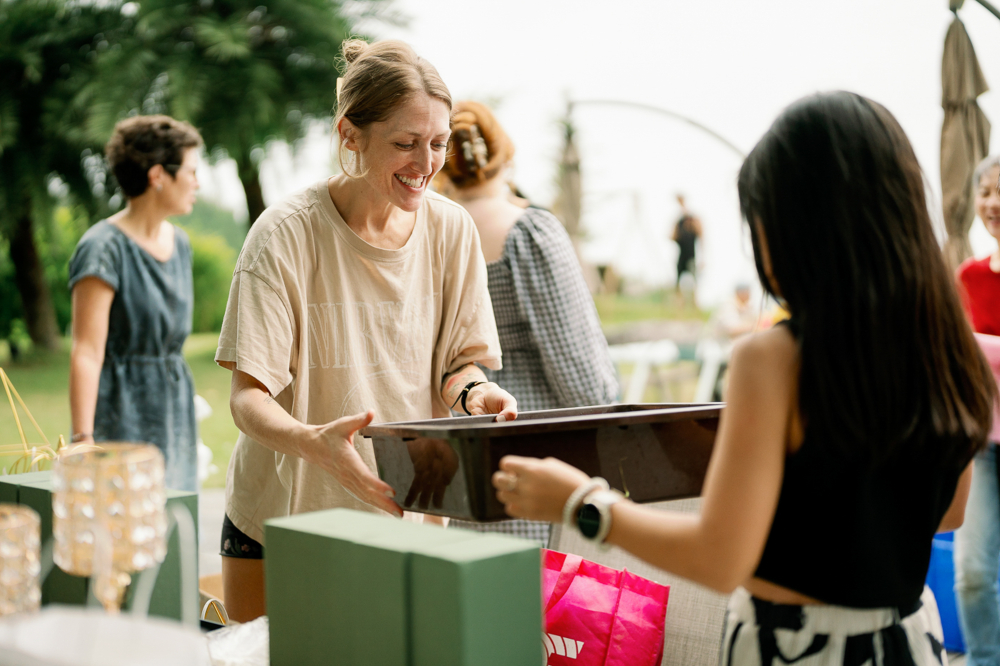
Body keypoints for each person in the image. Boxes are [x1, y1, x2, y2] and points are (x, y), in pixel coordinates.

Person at [492, 92, 996, 664]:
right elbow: (948, 514)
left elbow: (719, 559)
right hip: (906, 637)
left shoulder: (773, 358)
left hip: (793, 647)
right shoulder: (955, 348)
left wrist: (580, 503)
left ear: (794, 228)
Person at [214, 39, 518, 622]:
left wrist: (475, 395)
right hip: (283, 524)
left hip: (408, 523)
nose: (426, 163)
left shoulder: (453, 232)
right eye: (405, 143)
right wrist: (314, 444)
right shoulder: (283, 236)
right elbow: (248, 399)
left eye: (438, 143)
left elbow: (458, 366)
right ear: (349, 135)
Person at [435, 101, 618, 547]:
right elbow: (580, 373)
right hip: (535, 454)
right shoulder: (529, 233)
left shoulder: (434, 236)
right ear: (507, 158)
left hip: (457, 451)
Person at [68, 115, 203, 492]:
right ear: (158, 175)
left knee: (174, 515)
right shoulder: (102, 248)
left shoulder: (181, 244)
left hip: (173, 414)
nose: (197, 182)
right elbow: (86, 351)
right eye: (191, 171)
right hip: (120, 413)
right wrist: (83, 439)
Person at [955, 153, 1000, 666]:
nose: (992, 202)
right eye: (985, 191)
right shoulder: (967, 277)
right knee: (972, 572)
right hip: (982, 443)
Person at [671, 193, 702, 298]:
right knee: (678, 281)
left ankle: (695, 302)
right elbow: (672, 236)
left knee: (694, 280)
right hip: (681, 257)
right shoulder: (679, 225)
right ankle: (679, 303)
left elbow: (701, 235)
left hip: (691, 257)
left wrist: (703, 258)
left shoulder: (693, 226)